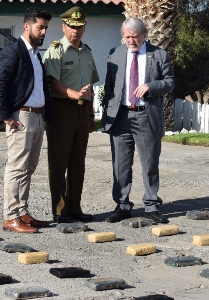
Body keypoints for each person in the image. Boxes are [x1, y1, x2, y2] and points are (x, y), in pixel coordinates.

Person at [102, 17, 175, 223]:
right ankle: (122, 205)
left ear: (144, 35)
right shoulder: (114, 54)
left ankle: (151, 205)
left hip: (146, 114)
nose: (131, 41)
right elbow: (109, 86)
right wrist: (108, 111)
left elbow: (169, 82)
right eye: (127, 37)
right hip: (120, 116)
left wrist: (151, 86)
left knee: (149, 162)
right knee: (121, 164)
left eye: (135, 37)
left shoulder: (159, 54)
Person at [0, 7, 53, 233]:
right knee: (17, 168)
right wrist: (5, 116)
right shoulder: (13, 52)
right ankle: (10, 216)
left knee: (29, 168)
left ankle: (22, 212)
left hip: (37, 117)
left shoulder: (36, 54)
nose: (44, 32)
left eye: (46, 28)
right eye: (40, 27)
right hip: (21, 117)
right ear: (27, 26)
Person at [42, 6, 99, 223]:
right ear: (64, 27)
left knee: (78, 161)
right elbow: (52, 82)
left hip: (82, 110)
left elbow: (91, 84)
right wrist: (73, 94)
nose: (76, 31)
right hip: (62, 109)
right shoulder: (55, 49)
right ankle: (60, 210)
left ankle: (75, 207)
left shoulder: (87, 51)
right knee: (59, 161)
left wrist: (91, 115)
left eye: (80, 26)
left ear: (84, 27)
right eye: (72, 27)